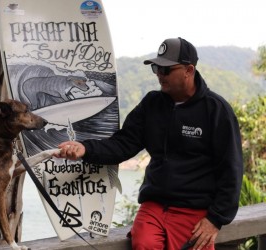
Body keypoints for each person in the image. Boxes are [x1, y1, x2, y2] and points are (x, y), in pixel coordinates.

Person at [56, 37, 243, 250]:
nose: (159, 75)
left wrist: (216, 219)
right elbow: (123, 143)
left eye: (166, 69)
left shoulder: (216, 110)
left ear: (189, 70)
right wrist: (85, 149)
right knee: (143, 243)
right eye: (156, 68)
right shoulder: (152, 103)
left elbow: (232, 169)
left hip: (194, 209)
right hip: (154, 205)